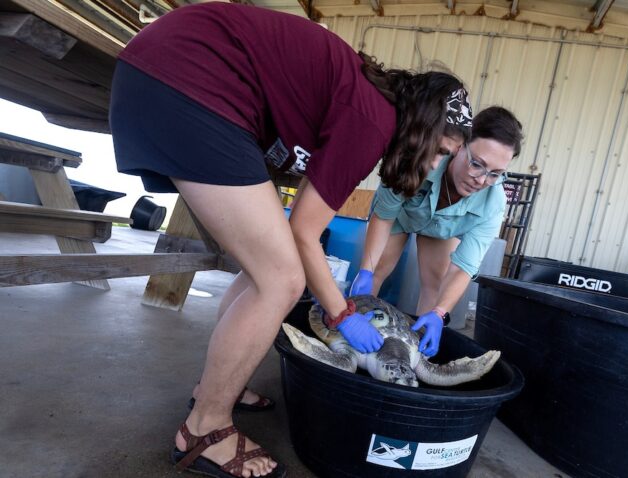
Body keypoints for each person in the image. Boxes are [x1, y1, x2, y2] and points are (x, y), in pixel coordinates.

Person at [108, 3, 471, 477]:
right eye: (440, 151)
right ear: (423, 127)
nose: (434, 165)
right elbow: (304, 231)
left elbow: (302, 219)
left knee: (263, 269)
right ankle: (205, 428)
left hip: (170, 68)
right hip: (190, 78)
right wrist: (341, 314)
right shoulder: (372, 120)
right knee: (281, 278)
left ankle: (219, 388)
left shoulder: (366, 104)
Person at [349, 107, 523, 357]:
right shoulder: (421, 160)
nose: (482, 180)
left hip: (441, 229)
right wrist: (366, 270)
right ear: (460, 145)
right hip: (400, 214)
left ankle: (415, 353)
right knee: (376, 270)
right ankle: (356, 339)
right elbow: (384, 216)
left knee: (436, 284)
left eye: (495, 174)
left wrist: (440, 314)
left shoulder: (493, 203)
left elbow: (465, 266)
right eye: (477, 164)